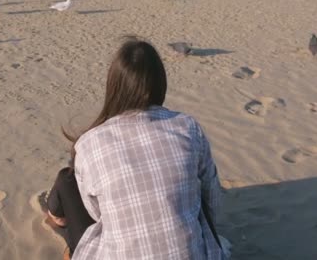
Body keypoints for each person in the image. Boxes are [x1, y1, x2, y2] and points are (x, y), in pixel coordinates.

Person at [51, 38, 223, 259]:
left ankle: (57, 218)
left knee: (68, 184)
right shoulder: (187, 127)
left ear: (114, 87)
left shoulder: (89, 143)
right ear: (160, 83)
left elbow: (95, 211)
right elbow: (213, 201)